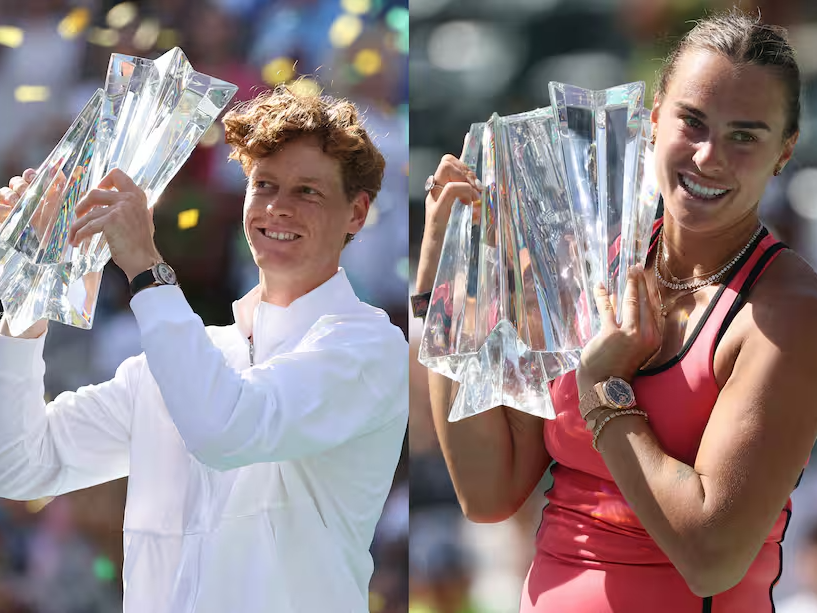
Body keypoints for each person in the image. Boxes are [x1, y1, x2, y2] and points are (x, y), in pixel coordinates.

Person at [415, 8, 817, 612]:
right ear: (654, 118)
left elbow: (712, 557)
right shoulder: (590, 260)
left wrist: (605, 390)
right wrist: (443, 288)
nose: (709, 156)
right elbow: (487, 490)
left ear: (784, 152)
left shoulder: (790, 313)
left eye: (744, 135)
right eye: (693, 121)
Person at [0, 85, 408, 613]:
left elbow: (223, 429)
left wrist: (147, 268)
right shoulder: (185, 358)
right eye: (264, 185)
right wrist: (32, 291)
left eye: (307, 191)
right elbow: (24, 465)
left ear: (357, 213)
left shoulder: (367, 344)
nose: (277, 208)